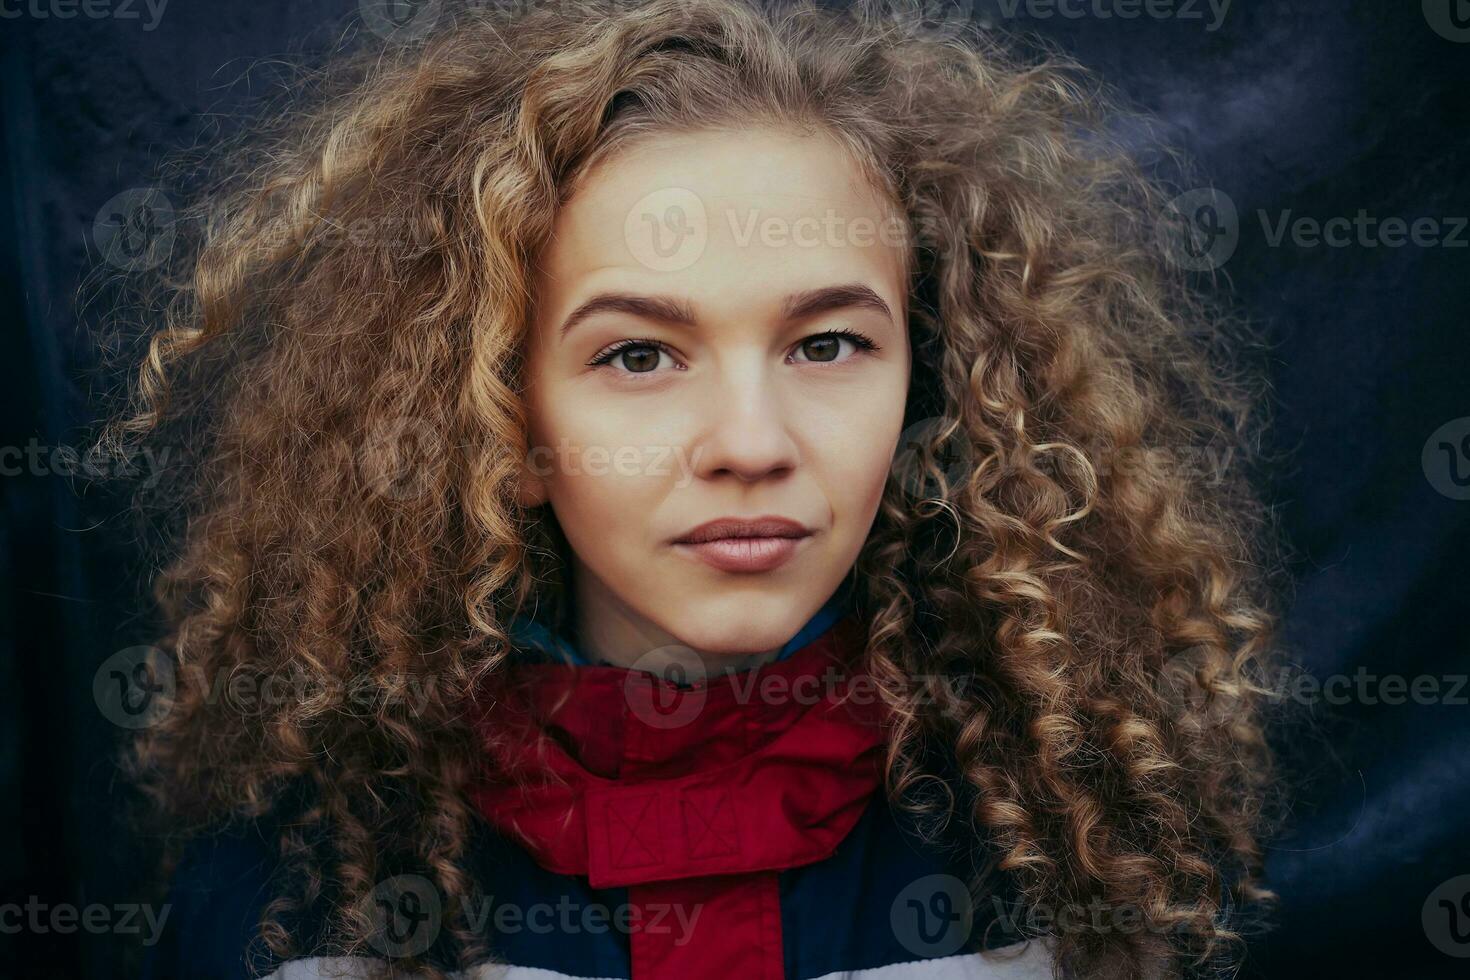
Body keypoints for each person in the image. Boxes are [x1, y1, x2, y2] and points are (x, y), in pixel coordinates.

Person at [99, 1, 1288, 977]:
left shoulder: (1096, 862)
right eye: (637, 354)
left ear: (931, 385)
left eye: (826, 344)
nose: (751, 441)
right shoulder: (292, 912)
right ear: (503, 417)